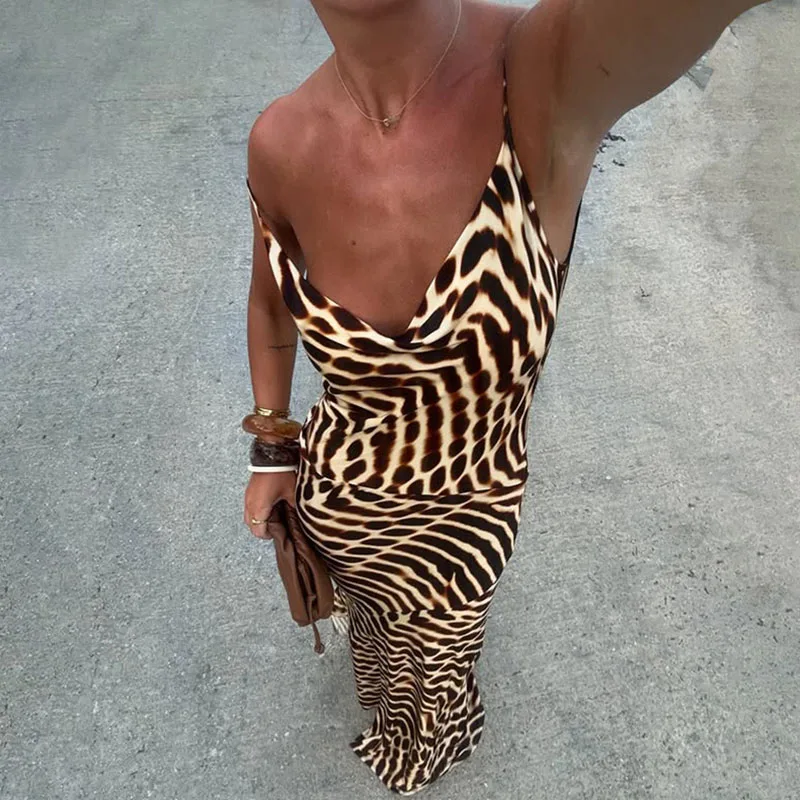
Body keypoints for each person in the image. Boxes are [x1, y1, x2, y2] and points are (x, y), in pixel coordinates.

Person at [242, 0, 771, 794]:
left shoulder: (538, 75)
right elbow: (268, 304)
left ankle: (419, 748)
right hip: (342, 502)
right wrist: (273, 453)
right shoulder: (280, 142)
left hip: (469, 524)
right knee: (376, 634)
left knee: (440, 664)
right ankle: (381, 687)